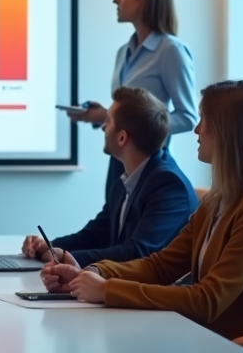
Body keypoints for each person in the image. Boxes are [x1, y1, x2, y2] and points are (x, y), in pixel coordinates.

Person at [41, 80, 243, 341]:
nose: (196, 130)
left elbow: (207, 300)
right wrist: (94, 273)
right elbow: (160, 266)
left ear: (226, 132)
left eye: (203, 120)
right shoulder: (218, 201)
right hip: (210, 341)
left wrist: (107, 290)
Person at [22, 86, 197, 268]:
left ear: (122, 138)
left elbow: (137, 252)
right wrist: (49, 246)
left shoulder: (168, 185)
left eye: (108, 121)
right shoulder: (125, 180)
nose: (103, 127)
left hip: (151, 292)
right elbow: (97, 234)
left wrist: (68, 257)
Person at [65, 0, 197, 183]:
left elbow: (188, 118)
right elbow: (132, 112)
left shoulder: (170, 50)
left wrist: (135, 128)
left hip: (149, 164)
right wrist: (105, 115)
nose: (116, 0)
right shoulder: (123, 52)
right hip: (119, 161)